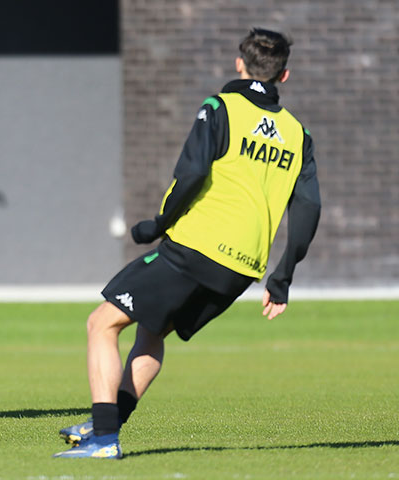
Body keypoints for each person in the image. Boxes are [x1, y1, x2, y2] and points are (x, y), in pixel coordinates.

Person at [54, 28, 321, 459]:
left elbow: (192, 174)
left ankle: (104, 441)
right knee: (152, 330)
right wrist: (282, 277)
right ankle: (105, 426)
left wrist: (159, 224)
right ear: (283, 76)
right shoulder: (298, 134)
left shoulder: (220, 107)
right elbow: (308, 209)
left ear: (240, 64)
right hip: (242, 269)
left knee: (101, 324)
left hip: (197, 247)